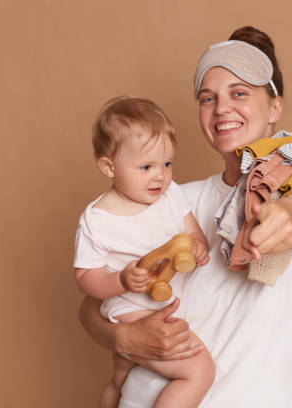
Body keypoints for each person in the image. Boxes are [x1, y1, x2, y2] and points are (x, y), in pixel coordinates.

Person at [79, 26, 292, 407]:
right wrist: (121, 338)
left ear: (275, 107)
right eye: (207, 98)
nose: (221, 109)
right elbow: (91, 306)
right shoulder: (169, 200)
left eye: (240, 93)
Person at [74, 96, 215, 408]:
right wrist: (121, 281)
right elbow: (86, 278)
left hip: (161, 300)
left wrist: (198, 247)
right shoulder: (98, 219)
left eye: (167, 164)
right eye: (146, 166)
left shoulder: (172, 196)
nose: (159, 176)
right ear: (109, 166)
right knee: (199, 370)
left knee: (122, 379)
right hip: (128, 309)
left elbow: (192, 233)